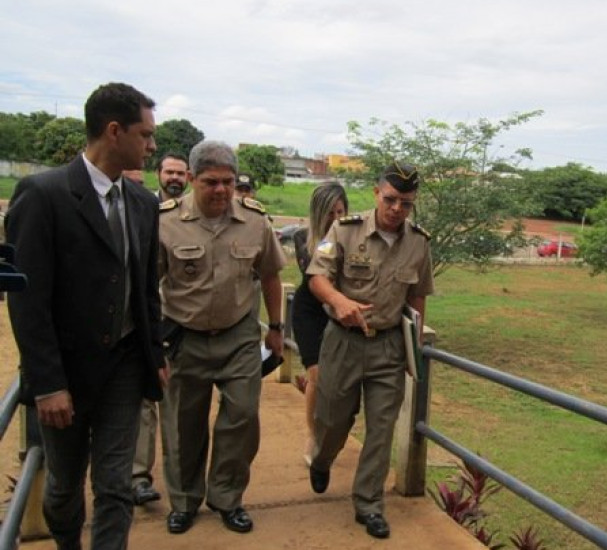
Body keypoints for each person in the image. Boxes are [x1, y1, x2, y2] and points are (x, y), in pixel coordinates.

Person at [5, 82, 166, 550]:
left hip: (124, 365)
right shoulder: (43, 195)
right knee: (63, 485)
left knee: (115, 484)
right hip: (66, 371)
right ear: (113, 131)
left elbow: (145, 290)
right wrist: (49, 383)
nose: (152, 145)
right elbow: (27, 302)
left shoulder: (143, 203)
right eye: (145, 134)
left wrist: (154, 352)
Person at [158, 140, 286, 535]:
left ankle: (227, 497)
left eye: (228, 182)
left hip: (240, 337)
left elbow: (270, 276)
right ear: (192, 179)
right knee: (184, 424)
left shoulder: (254, 221)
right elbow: (147, 287)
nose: (221, 190)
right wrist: (153, 346)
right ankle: (184, 501)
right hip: (185, 338)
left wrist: (278, 329)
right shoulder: (163, 222)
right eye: (211, 182)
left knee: (243, 417)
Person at [306, 161, 434, 539]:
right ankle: (322, 458)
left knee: (381, 428)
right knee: (332, 420)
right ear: (377, 193)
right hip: (343, 344)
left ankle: (369, 504)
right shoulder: (345, 230)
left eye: (406, 203)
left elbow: (418, 296)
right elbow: (316, 277)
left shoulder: (419, 242)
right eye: (391, 199)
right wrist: (338, 301)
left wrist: (415, 346)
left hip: (389, 348)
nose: (397, 209)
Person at [130, 153, 189, 507]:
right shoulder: (141, 207)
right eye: (169, 172)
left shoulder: (193, 216)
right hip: (147, 317)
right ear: (159, 174)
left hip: (181, 325)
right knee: (143, 401)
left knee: (175, 405)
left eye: (181, 173)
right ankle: (138, 476)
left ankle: (181, 482)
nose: (175, 178)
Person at [289, 182, 349, 465]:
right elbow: (317, 277)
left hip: (340, 315)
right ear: (319, 213)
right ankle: (313, 434)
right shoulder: (305, 239)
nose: (336, 218)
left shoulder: (353, 237)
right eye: (330, 213)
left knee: (337, 384)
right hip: (310, 313)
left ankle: (331, 433)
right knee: (317, 375)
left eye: (341, 211)